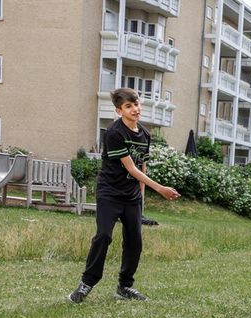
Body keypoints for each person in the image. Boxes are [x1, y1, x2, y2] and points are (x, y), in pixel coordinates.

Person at [68, 88, 180, 304]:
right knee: (103, 236)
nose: (135, 109)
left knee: (134, 241)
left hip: (132, 197)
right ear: (119, 111)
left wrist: (141, 197)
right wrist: (160, 189)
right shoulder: (114, 133)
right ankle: (86, 283)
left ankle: (125, 286)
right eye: (128, 106)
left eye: (136, 104)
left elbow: (142, 166)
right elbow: (131, 168)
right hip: (110, 193)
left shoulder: (145, 134)